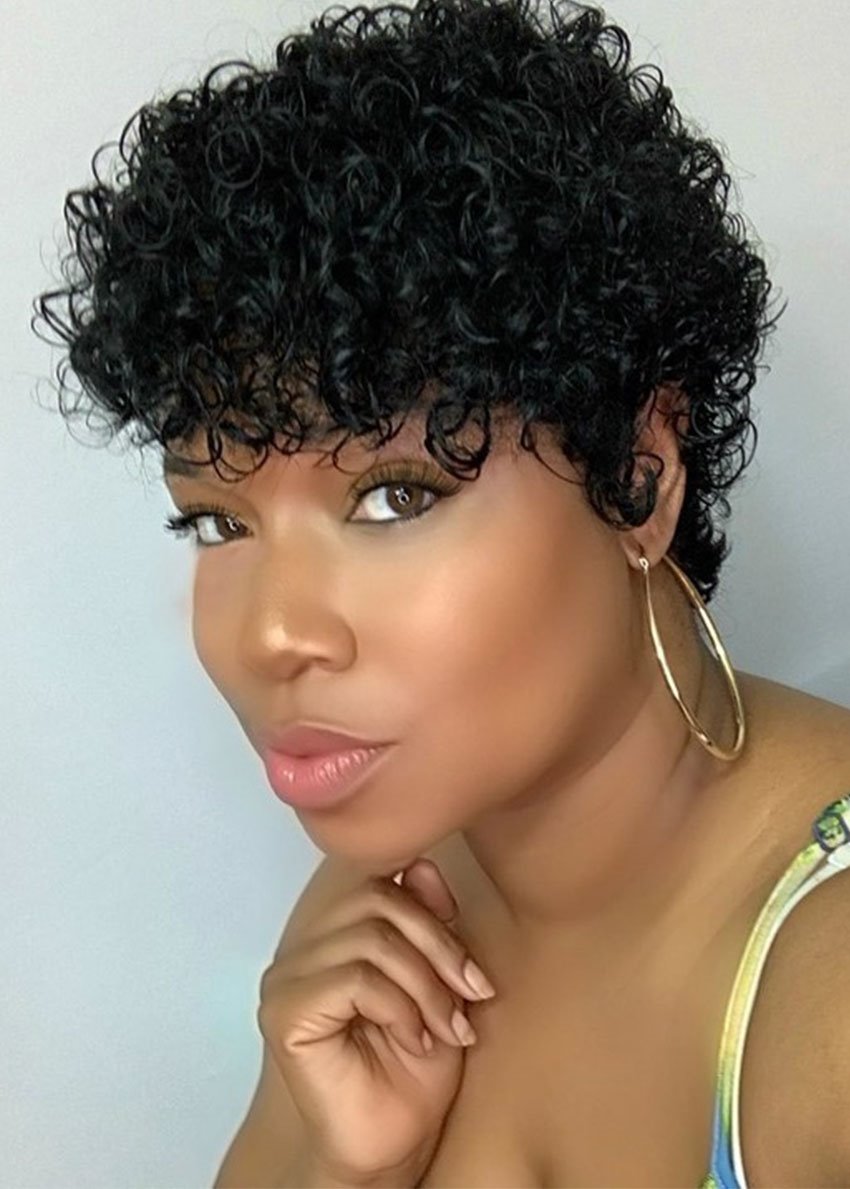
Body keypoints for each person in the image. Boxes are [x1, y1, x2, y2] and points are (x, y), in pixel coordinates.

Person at [33, 0, 850, 1185]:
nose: (271, 632)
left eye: (392, 498)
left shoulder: (826, 998)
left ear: (637, 475)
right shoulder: (378, 921)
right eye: (217, 521)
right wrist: (345, 1169)